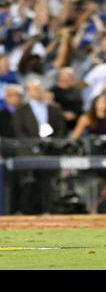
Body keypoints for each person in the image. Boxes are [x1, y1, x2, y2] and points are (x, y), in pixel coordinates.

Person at [13, 79, 68, 214]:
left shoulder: (53, 109)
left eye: (39, 88)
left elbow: (61, 129)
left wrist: (52, 143)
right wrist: (34, 145)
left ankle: (48, 210)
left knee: (48, 184)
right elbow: (19, 131)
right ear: (28, 92)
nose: (38, 91)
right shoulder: (21, 111)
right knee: (29, 183)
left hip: (50, 152)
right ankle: (27, 211)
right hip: (29, 153)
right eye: (35, 89)